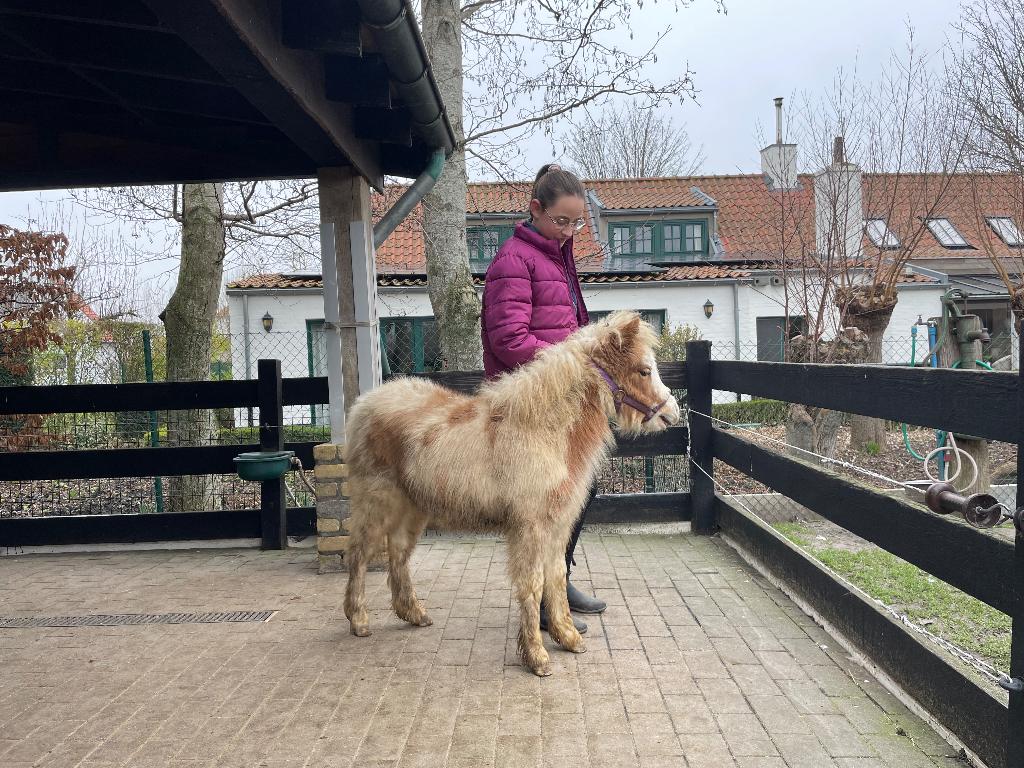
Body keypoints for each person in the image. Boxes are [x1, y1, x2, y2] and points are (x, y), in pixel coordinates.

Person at [480, 163, 607, 634]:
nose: (571, 230)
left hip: (558, 399)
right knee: (544, 504)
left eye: (578, 223)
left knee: (575, 491)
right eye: (562, 221)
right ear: (535, 209)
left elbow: (563, 322)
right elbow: (510, 340)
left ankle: (560, 581)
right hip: (528, 403)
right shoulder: (514, 261)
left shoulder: (556, 254)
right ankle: (546, 603)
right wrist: (573, 359)